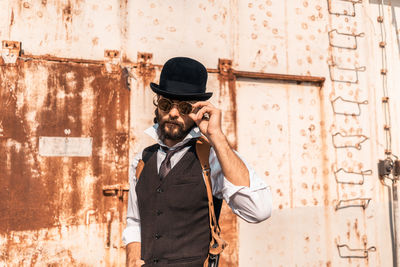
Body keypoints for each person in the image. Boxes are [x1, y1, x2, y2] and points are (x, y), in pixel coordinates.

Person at [123, 57, 272, 267]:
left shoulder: (212, 157)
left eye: (184, 107)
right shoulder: (142, 160)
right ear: (157, 106)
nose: (173, 113)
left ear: (198, 111)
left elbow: (258, 210)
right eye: (166, 104)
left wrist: (216, 136)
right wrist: (131, 256)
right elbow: (135, 221)